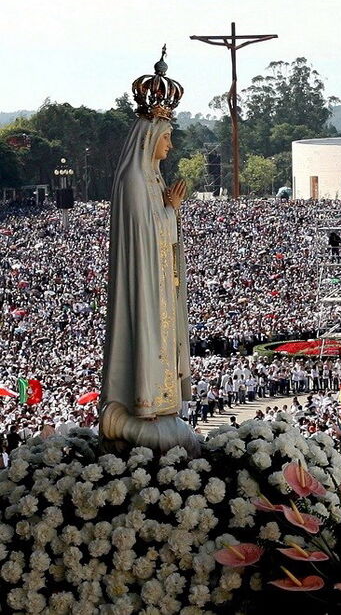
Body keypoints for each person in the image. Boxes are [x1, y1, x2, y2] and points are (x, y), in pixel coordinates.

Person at [98, 47, 198, 456]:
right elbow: (147, 234)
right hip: (145, 282)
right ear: (150, 139)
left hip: (159, 283)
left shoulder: (152, 179)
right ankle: (140, 407)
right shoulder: (135, 182)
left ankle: (163, 404)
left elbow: (160, 232)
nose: (170, 146)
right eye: (166, 138)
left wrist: (170, 210)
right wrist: (171, 211)